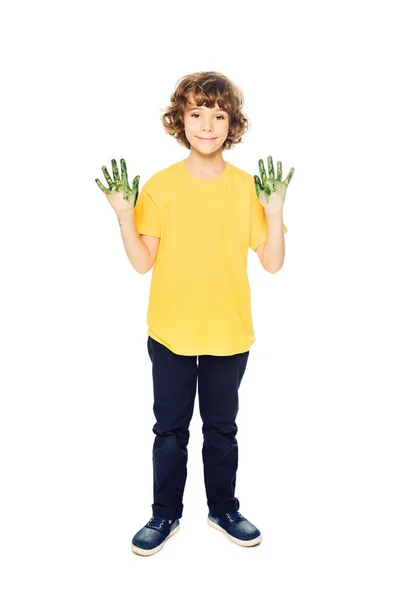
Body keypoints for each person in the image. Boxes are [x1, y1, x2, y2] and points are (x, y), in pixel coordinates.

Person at [95, 71, 294, 557]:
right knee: (170, 430)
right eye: (197, 113)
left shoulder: (249, 187)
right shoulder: (161, 187)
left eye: (219, 115)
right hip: (171, 333)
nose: (208, 124)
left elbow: (271, 263)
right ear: (181, 121)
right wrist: (125, 215)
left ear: (233, 124)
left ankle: (223, 508)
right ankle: (165, 514)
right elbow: (143, 263)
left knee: (223, 430)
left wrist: (273, 212)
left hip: (228, 332)